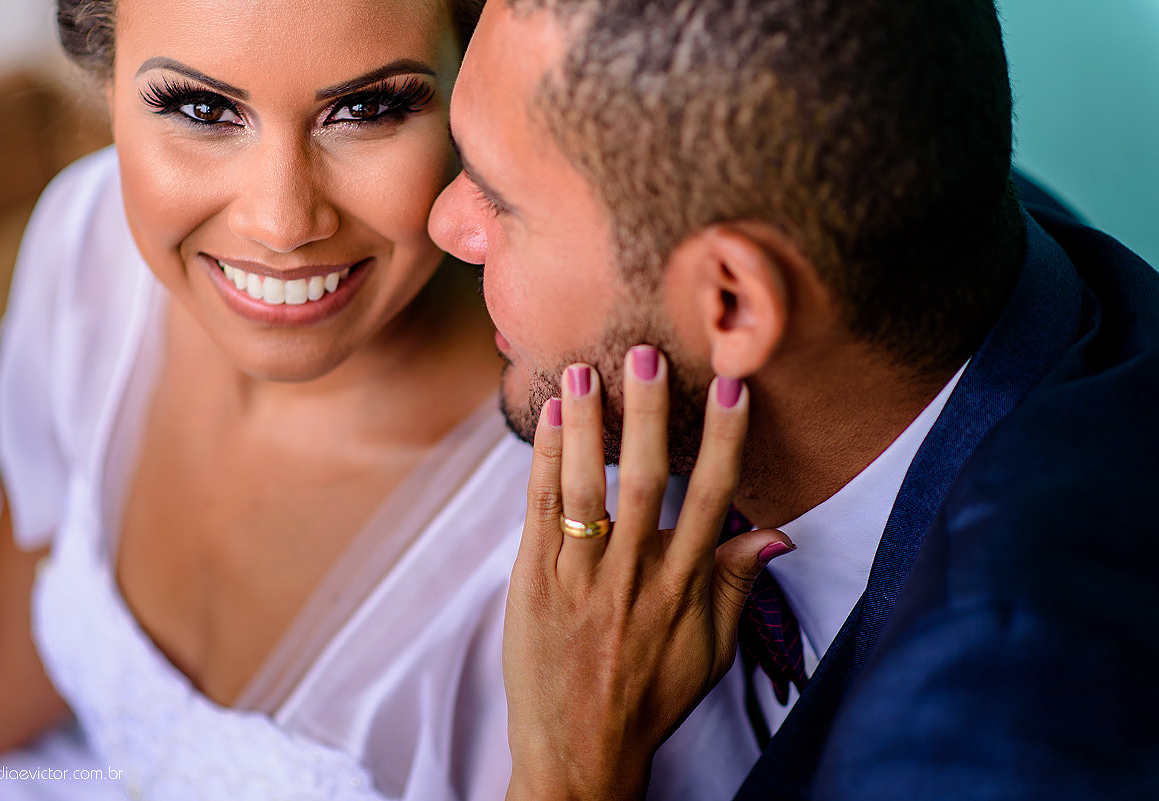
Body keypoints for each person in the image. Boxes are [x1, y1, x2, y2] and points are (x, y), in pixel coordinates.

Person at [0, 0, 773, 799]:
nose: (282, 222)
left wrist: (574, 775)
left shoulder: (576, 515)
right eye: (202, 108)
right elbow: (8, 660)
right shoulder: (88, 244)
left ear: (474, 89)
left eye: (367, 108)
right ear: (106, 90)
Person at [427, 0, 1159, 799]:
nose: (445, 225)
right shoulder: (892, 188)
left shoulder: (982, 745)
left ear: (735, 303)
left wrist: (566, 774)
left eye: (499, 197)